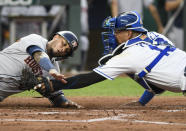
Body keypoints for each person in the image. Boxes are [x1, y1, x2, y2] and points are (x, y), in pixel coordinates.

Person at [33, 11, 186, 107]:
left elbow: (90, 78)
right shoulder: (156, 36)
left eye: (117, 31)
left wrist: (55, 85)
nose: (113, 35)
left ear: (130, 33)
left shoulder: (129, 55)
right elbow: (160, 76)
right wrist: (142, 102)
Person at [0, 30, 82, 109]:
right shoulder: (36, 39)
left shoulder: (54, 70)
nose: (63, 50)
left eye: (67, 51)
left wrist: (65, 102)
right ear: (56, 37)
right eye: (63, 44)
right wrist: (51, 69)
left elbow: (56, 95)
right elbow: (38, 54)